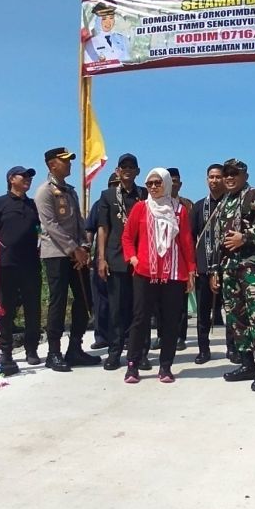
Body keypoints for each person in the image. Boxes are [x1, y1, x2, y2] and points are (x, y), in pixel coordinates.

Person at [210, 158, 255, 392]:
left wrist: (246, 236)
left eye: (234, 174)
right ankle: (247, 364)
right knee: (236, 318)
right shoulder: (224, 202)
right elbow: (218, 239)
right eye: (226, 174)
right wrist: (216, 270)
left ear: (245, 176)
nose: (229, 178)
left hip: (252, 267)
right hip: (229, 268)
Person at [120, 167, 196, 384]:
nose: (153, 187)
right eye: (149, 184)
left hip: (173, 273)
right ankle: (133, 365)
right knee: (140, 319)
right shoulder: (140, 208)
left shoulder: (179, 210)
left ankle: (166, 366)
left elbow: (186, 243)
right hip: (145, 272)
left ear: (167, 184)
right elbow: (127, 237)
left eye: (157, 183)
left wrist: (191, 271)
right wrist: (132, 258)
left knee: (171, 321)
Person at [34, 146, 101, 372]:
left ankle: (75, 347)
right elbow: (50, 225)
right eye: (65, 160)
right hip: (56, 254)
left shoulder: (71, 191)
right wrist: (74, 249)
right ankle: (54, 352)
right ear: (52, 164)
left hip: (77, 254)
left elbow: (79, 222)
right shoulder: (44, 192)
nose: (70, 163)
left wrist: (84, 246)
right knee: (59, 301)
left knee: (84, 298)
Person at [0, 166, 42, 375]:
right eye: (24, 176)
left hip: (30, 264)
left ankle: (31, 349)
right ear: (11, 179)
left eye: (29, 177)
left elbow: (40, 230)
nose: (27, 180)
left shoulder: (33, 205)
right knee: (5, 310)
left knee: (33, 308)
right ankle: (6, 351)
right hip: (6, 265)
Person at [97, 153, 148, 370]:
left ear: (137, 171)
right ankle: (114, 352)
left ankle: (140, 353)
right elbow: (103, 228)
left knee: (140, 308)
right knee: (116, 309)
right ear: (118, 171)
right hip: (116, 257)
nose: (127, 170)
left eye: (131, 167)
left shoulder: (144, 195)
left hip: (140, 258)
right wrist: (101, 257)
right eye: (123, 166)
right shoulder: (108, 195)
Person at [191, 163, 229, 364]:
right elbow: (189, 237)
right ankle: (203, 349)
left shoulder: (232, 204)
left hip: (228, 266)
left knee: (231, 311)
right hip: (204, 267)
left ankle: (233, 348)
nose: (214, 180)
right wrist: (192, 266)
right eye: (211, 177)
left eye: (218, 177)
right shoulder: (198, 207)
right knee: (202, 313)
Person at [86, 173, 118, 350]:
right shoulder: (99, 205)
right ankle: (102, 336)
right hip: (102, 257)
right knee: (100, 301)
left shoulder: (131, 202)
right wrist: (87, 250)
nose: (115, 187)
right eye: (112, 184)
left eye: (118, 184)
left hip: (122, 258)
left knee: (123, 301)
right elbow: (90, 229)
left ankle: (125, 336)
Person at [169, 167, 195, 350]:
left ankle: (180, 336)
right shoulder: (154, 204)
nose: (172, 185)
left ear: (180, 184)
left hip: (181, 260)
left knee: (181, 303)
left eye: (175, 181)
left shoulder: (187, 205)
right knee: (160, 304)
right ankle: (163, 336)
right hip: (162, 261)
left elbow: (190, 234)